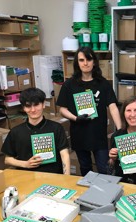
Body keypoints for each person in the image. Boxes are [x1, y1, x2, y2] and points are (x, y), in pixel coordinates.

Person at [57, 46, 121, 176]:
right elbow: (62, 109)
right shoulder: (69, 84)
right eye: (81, 60)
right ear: (77, 63)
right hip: (79, 134)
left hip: (99, 135)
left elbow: (113, 107)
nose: (85, 63)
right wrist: (75, 118)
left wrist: (120, 130)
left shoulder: (103, 84)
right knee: (85, 168)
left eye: (88, 59)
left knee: (104, 169)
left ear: (94, 62)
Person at [2, 87, 70, 174]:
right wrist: (25, 164)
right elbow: (7, 159)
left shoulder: (56, 128)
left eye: (36, 104)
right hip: (27, 177)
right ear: (23, 108)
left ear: (43, 104)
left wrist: (66, 178)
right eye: (28, 106)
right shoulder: (16, 132)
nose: (33, 110)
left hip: (54, 177)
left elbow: (65, 154)